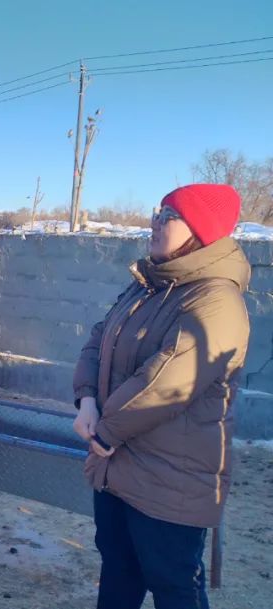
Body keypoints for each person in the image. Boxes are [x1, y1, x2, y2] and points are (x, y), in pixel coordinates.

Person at [72, 183, 251, 609]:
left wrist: (105, 432)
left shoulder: (216, 299)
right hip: (118, 467)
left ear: (199, 231)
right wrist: (86, 400)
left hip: (171, 481)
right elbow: (99, 338)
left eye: (168, 216)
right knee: (117, 573)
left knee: (174, 588)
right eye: (158, 212)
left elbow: (168, 381)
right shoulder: (148, 285)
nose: (155, 223)